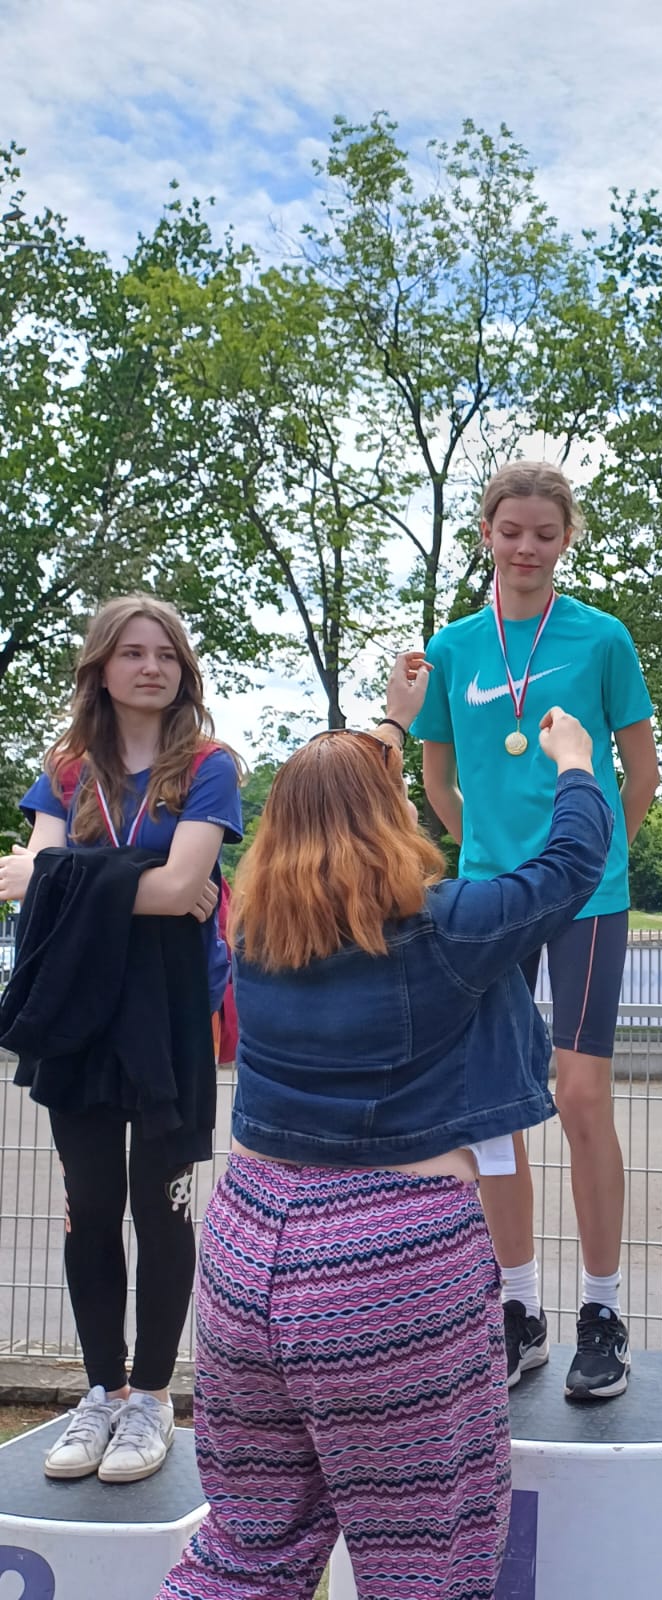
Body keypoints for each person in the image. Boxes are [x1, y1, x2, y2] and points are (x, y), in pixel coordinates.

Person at [156, 672, 612, 1600]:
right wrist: (575, 765)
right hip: (388, 1262)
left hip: (244, 1246)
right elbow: (570, 866)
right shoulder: (443, 929)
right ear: (388, 817)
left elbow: (342, 794)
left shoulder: (256, 931)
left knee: (247, 1553)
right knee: (426, 1562)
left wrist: (393, 725)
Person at [412, 459, 659, 1403]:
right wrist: (486, 854)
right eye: (511, 531)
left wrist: (591, 857)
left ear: (567, 540)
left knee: (581, 1096)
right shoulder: (453, 648)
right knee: (497, 1108)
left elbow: (641, 774)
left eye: (545, 535)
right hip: (490, 899)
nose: (527, 548)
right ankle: (517, 1309)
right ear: (486, 532)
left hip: (587, 897)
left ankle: (604, 1310)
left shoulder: (603, 638)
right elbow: (438, 782)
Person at [0, 595, 243, 1484]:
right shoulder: (67, 770)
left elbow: (180, 886)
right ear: (101, 668)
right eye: (134, 652)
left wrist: (62, 875)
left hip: (170, 1012)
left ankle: (151, 1399)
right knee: (91, 1204)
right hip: (81, 1012)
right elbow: (34, 885)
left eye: (166, 654)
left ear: (184, 670)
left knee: (160, 1204)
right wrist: (134, 879)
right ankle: (100, 1391)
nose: (152, 667)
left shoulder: (210, 766)